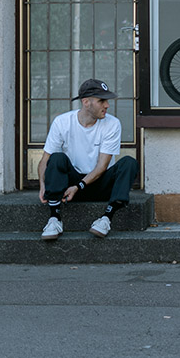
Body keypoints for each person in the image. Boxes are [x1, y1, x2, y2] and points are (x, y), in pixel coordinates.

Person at [38, 78, 137, 241]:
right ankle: (54, 218)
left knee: (129, 163)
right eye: (101, 101)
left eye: (107, 101)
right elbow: (45, 160)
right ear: (86, 102)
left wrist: (79, 186)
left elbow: (102, 166)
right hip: (71, 186)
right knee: (57, 158)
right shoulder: (62, 122)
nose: (107, 105)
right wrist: (43, 185)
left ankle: (106, 219)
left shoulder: (112, 124)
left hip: (99, 184)